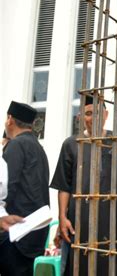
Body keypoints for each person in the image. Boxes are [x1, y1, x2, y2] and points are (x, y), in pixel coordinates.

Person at [50, 95, 117, 275]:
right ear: (80, 117)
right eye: (89, 114)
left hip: (112, 216)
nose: (93, 118)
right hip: (80, 219)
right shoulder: (71, 144)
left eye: (98, 112)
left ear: (106, 114)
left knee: (112, 265)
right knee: (79, 265)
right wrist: (62, 217)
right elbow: (64, 185)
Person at [0, 101, 50, 275]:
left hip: (15, 234)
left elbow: (6, 188)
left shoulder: (16, 145)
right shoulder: (38, 147)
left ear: (9, 119)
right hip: (35, 233)